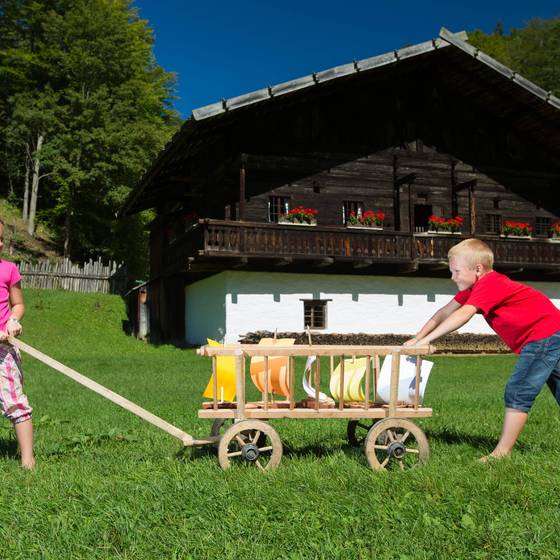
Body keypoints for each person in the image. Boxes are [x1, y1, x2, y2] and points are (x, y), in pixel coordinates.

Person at [405, 238, 560, 461]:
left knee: (519, 390)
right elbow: (445, 312)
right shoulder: (475, 287)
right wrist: (417, 338)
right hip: (552, 332)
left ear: (478, 269)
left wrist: (427, 341)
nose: (453, 277)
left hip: (543, 335)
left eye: (456, 271)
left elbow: (463, 315)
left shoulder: (491, 284)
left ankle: (502, 453)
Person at [0, 220, 34, 469]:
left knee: (15, 401)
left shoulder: (9, 269)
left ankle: (27, 460)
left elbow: (19, 305)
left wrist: (13, 320)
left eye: (0, 238)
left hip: (4, 349)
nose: (0, 243)